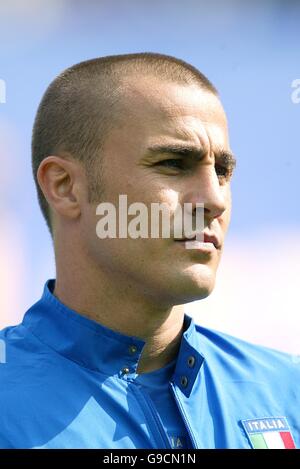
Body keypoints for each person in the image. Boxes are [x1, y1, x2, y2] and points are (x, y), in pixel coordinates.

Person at [0, 53, 298, 449]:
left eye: (222, 172)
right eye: (174, 163)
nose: (214, 199)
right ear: (65, 186)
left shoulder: (286, 391)